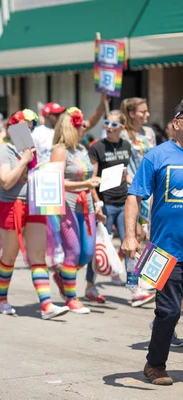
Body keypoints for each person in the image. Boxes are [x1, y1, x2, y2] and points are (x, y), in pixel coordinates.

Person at [122, 101, 183, 386]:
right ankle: (155, 364)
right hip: (165, 250)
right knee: (169, 311)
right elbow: (135, 195)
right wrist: (131, 235)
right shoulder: (157, 156)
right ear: (177, 122)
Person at [0, 110, 69, 320]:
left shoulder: (30, 150)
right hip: (10, 206)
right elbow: (6, 181)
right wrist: (25, 160)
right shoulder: (3, 150)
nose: (29, 130)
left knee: (38, 256)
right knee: (9, 256)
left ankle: (46, 305)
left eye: (31, 127)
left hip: (35, 205)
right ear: (13, 129)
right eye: (24, 126)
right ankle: (2, 300)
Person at [51, 108, 105, 314]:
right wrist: (85, 184)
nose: (85, 127)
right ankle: (71, 298)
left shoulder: (82, 150)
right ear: (70, 127)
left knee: (88, 252)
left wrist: (97, 203)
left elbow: (88, 182)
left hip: (87, 206)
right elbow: (54, 182)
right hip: (68, 205)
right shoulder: (60, 150)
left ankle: (63, 276)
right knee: (73, 252)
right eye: (80, 124)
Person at [85, 111, 132, 303]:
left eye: (114, 124)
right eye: (106, 123)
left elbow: (125, 174)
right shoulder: (97, 148)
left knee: (130, 245)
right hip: (106, 204)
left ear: (122, 127)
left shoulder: (126, 146)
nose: (109, 127)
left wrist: (136, 185)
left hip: (124, 202)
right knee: (99, 246)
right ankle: (90, 285)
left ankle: (134, 288)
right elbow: (92, 180)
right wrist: (97, 202)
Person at [120, 97, 157, 305]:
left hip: (152, 192)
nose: (147, 115)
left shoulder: (150, 133)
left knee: (148, 235)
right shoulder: (123, 134)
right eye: (143, 111)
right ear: (132, 113)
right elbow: (118, 163)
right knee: (135, 237)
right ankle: (134, 288)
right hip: (132, 191)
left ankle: (144, 278)